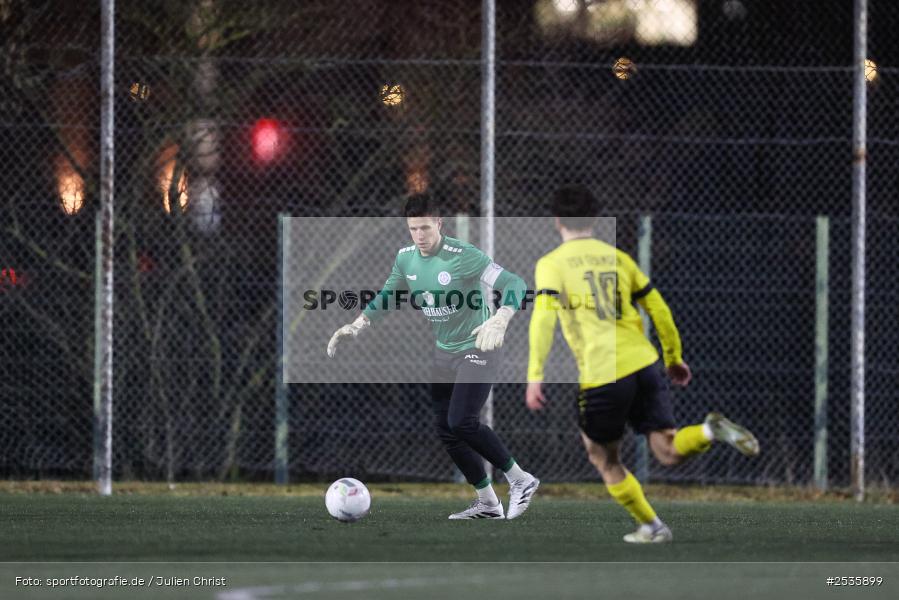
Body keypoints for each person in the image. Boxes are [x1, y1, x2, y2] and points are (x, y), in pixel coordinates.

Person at [526, 185, 759, 543]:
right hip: (645, 363)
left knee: (602, 456)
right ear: (594, 220)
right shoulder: (619, 258)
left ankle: (652, 526)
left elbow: (543, 318)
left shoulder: (552, 264)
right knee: (667, 450)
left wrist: (535, 375)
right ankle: (711, 431)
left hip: (604, 370)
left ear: (557, 221)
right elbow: (659, 309)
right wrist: (673, 357)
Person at [327, 193, 539, 520]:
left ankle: (520, 480)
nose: (420, 236)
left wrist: (503, 315)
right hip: (444, 354)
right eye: (413, 229)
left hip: (479, 347)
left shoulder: (462, 255)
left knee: (462, 421)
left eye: (426, 228)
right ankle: (487, 503)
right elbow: (387, 297)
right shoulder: (405, 259)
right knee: (446, 429)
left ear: (439, 224)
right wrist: (357, 325)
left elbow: (515, 282)